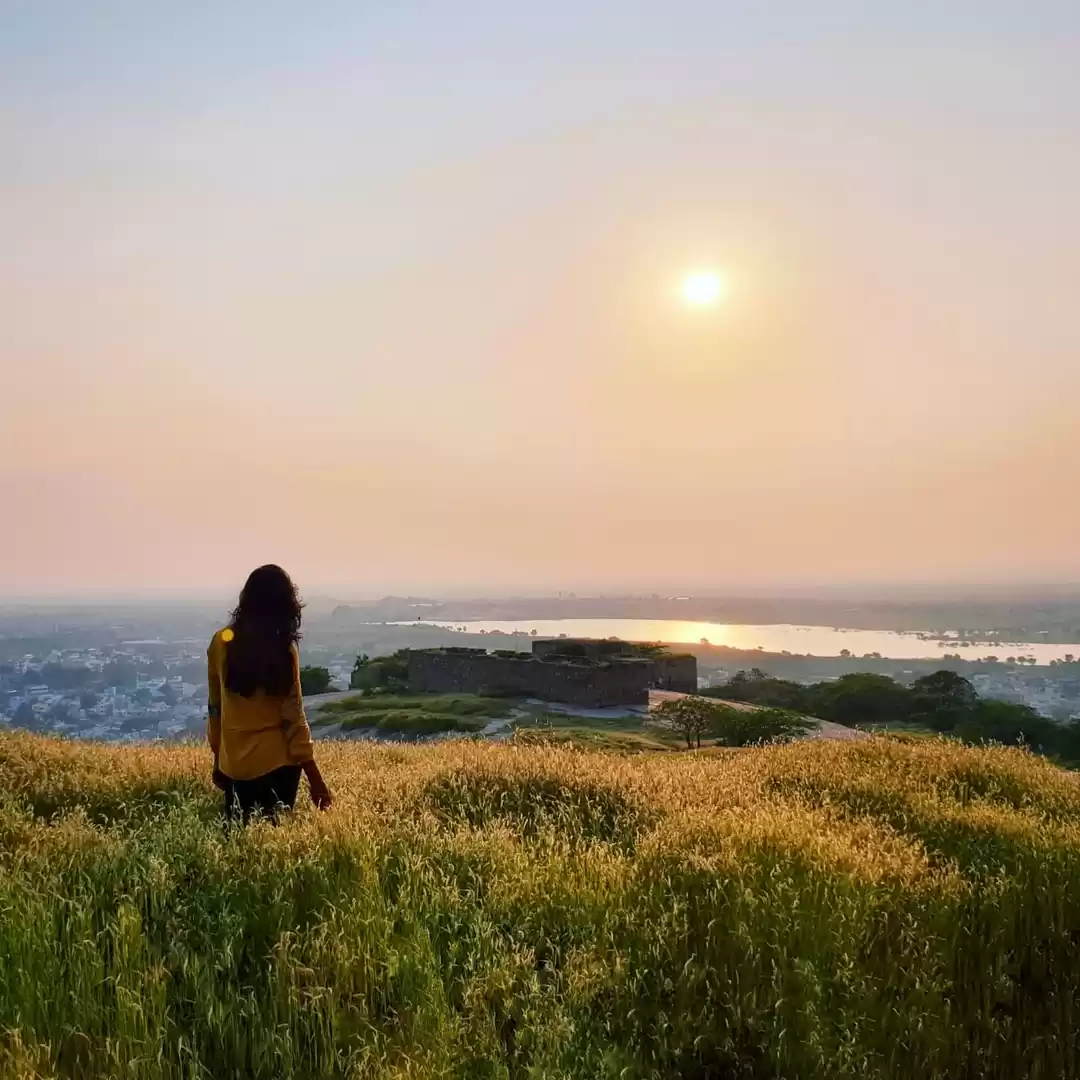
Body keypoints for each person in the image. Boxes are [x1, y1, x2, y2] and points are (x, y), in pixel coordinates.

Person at [207, 564, 332, 823]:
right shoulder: (283, 651)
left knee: (238, 850)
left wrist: (218, 758)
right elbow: (294, 718)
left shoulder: (221, 643)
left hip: (234, 768)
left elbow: (215, 708)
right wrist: (316, 779)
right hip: (279, 766)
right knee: (272, 848)